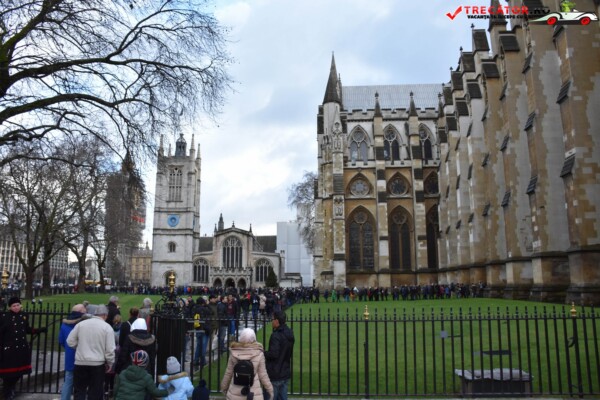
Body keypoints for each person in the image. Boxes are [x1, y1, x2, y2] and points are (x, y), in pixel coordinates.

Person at [0, 297, 47, 400]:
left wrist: (38, 330)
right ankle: (7, 391)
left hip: (21, 348)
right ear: (9, 307)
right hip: (9, 349)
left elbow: (27, 329)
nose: (16, 307)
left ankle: (10, 389)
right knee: (8, 374)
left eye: (18, 305)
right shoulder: (4, 316)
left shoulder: (24, 315)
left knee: (19, 372)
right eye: (14, 306)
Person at [67, 304, 116, 400]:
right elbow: (110, 349)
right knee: (95, 392)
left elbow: (70, 341)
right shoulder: (107, 327)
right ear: (105, 315)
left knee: (79, 391)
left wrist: (80, 347)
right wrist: (110, 363)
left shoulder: (81, 324)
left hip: (81, 362)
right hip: (97, 364)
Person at [220, 328, 273, 400]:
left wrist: (224, 387)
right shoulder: (259, 353)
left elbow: (228, 373)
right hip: (253, 393)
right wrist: (270, 389)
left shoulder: (234, 352)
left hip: (235, 391)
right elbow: (263, 375)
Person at [58, 304, 87, 400]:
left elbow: (61, 341)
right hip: (83, 356)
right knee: (82, 383)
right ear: (81, 311)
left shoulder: (64, 324)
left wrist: (68, 348)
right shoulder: (83, 323)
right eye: (84, 309)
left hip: (70, 355)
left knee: (68, 381)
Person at [264, 311, 295, 400]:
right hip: (285, 371)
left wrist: (263, 352)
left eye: (272, 319)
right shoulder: (290, 333)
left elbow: (274, 354)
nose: (271, 321)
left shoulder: (276, 335)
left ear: (277, 321)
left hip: (275, 373)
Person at [192, 297, 212, 369]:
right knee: (203, 346)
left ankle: (196, 360)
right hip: (204, 329)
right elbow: (211, 312)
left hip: (198, 328)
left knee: (198, 345)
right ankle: (203, 361)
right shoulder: (204, 308)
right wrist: (207, 304)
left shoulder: (194, 308)